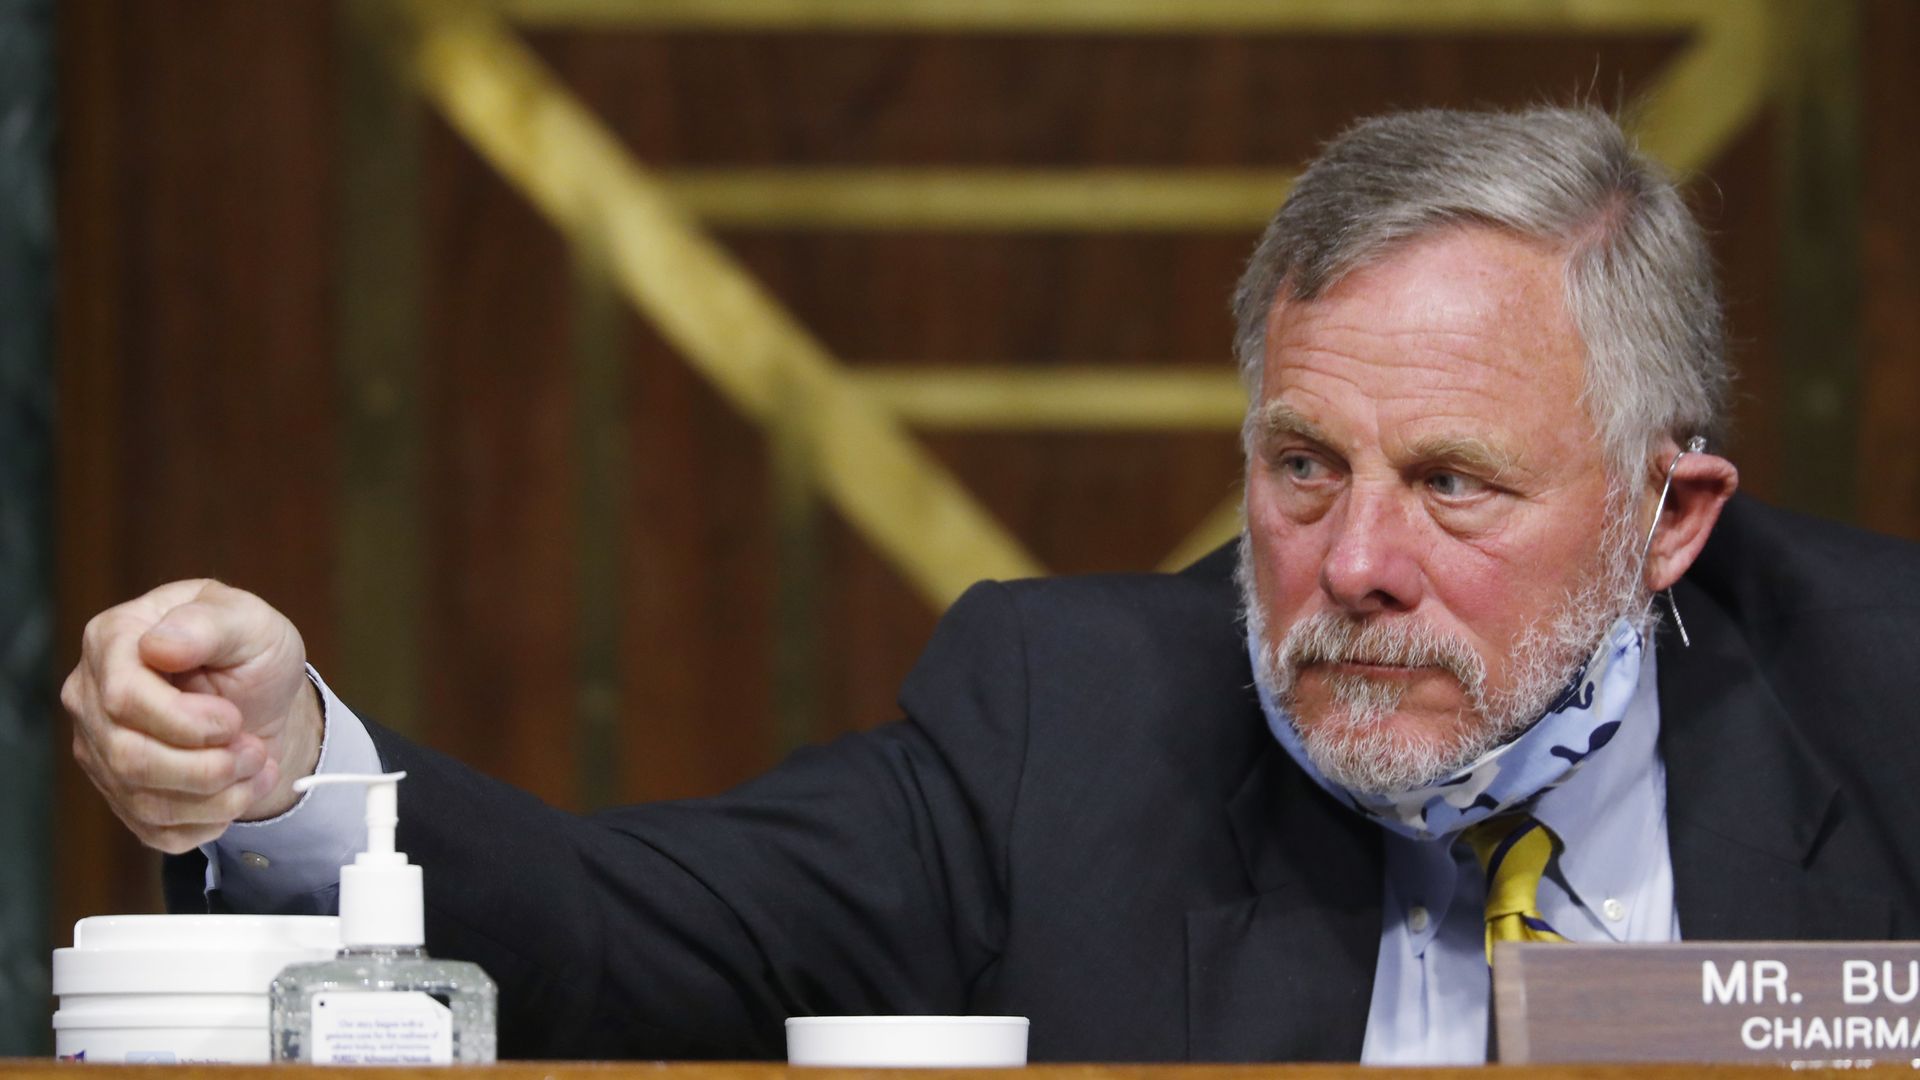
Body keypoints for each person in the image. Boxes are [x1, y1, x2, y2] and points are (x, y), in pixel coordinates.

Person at [63, 105, 1920, 1064]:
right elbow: (633, 930)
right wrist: (285, 767)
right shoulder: (1076, 717)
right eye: (1300, 467)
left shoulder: (1884, 696)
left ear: (1668, 519)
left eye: (1452, 486)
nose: (1354, 566)